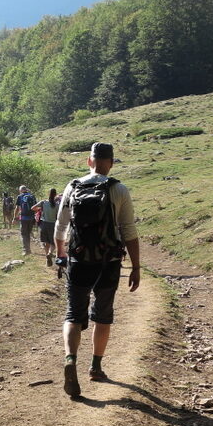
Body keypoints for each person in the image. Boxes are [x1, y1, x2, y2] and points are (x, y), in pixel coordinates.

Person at [54, 142, 140, 398]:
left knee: (73, 314)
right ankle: (95, 366)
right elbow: (129, 232)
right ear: (111, 162)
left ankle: (70, 359)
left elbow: (61, 226)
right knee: (102, 315)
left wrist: (61, 254)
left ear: (89, 161)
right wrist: (136, 267)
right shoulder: (118, 189)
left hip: (79, 260)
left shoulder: (73, 186)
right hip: (108, 262)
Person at [32, 188, 59, 266]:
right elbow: (59, 215)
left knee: (46, 242)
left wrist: (40, 209)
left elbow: (32, 208)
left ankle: (47, 258)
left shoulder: (43, 202)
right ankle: (50, 253)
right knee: (53, 242)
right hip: (53, 225)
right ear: (55, 194)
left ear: (48, 194)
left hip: (44, 224)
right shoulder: (57, 205)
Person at [15, 185, 37, 255]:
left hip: (24, 218)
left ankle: (26, 250)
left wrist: (15, 217)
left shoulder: (20, 197)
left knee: (24, 234)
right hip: (31, 218)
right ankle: (28, 249)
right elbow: (36, 207)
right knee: (28, 233)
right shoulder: (32, 196)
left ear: (21, 190)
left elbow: (17, 208)